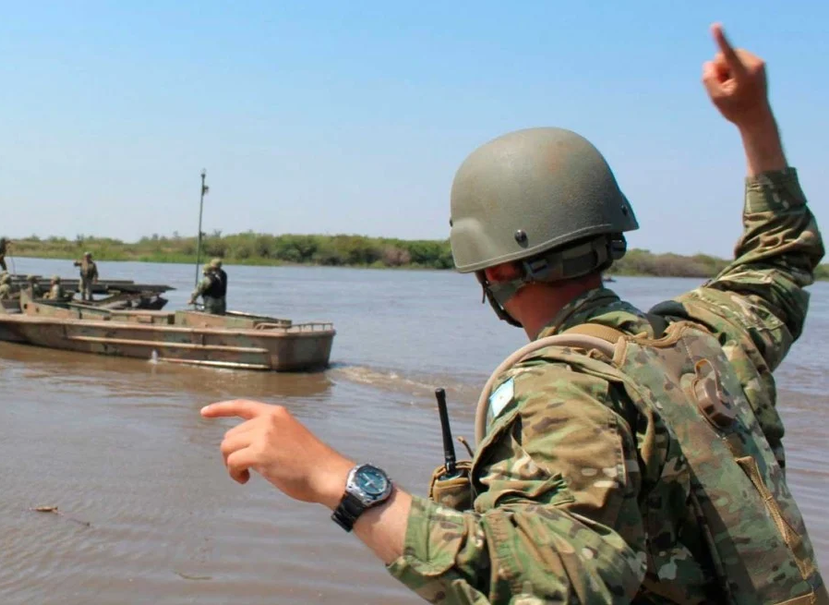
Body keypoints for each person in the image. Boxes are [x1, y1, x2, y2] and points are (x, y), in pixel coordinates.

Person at [199, 24, 826, 603]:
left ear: (494, 270)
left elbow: (560, 581)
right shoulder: (705, 337)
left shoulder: (560, 387)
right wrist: (754, 118)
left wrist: (337, 481)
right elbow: (780, 257)